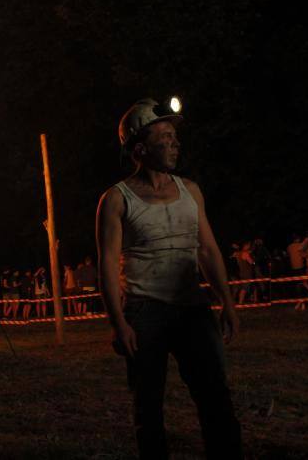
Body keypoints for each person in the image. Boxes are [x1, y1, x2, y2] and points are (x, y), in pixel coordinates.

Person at [96, 98, 242, 459]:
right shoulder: (116, 200)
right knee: (148, 407)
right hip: (145, 313)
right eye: (166, 136)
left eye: (175, 136)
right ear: (140, 148)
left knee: (216, 397)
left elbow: (207, 250)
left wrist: (227, 303)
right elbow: (107, 265)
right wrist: (119, 323)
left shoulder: (190, 191)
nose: (176, 143)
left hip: (193, 310)